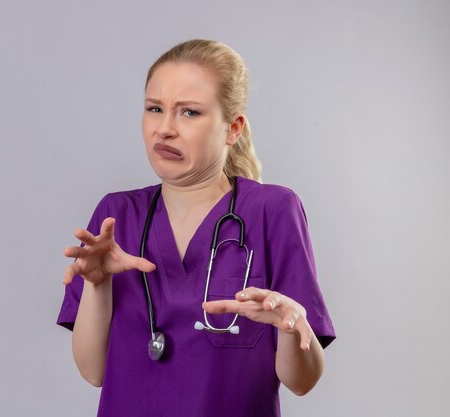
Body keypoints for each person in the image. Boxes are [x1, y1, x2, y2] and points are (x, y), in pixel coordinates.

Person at [56, 38, 336, 417]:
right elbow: (93, 372)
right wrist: (97, 283)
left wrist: (291, 326)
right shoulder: (116, 216)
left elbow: (302, 382)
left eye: (189, 113)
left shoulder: (272, 211)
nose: (165, 129)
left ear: (232, 129)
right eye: (155, 109)